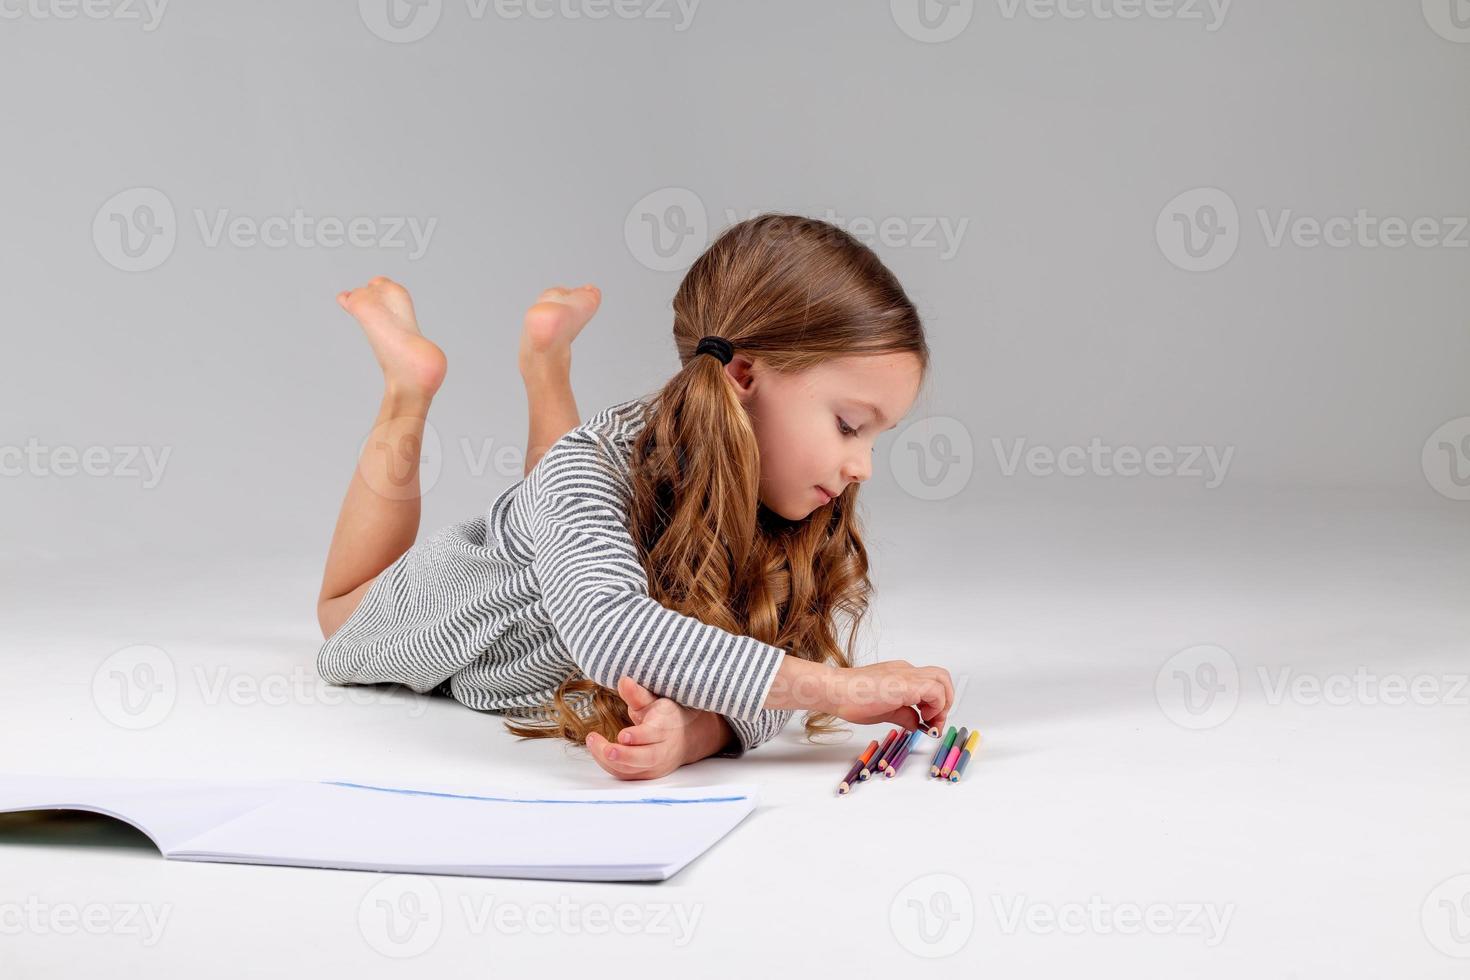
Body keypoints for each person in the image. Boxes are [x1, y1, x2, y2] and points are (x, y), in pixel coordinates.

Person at [314, 213, 955, 780]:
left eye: (876, 438)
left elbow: (770, 663)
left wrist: (697, 735)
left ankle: (545, 360)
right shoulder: (589, 463)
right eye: (848, 425)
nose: (863, 466)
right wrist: (836, 688)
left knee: (564, 490)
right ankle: (408, 385)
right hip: (463, 596)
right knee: (340, 609)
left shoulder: (791, 495)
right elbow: (608, 626)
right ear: (745, 375)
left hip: (561, 521)